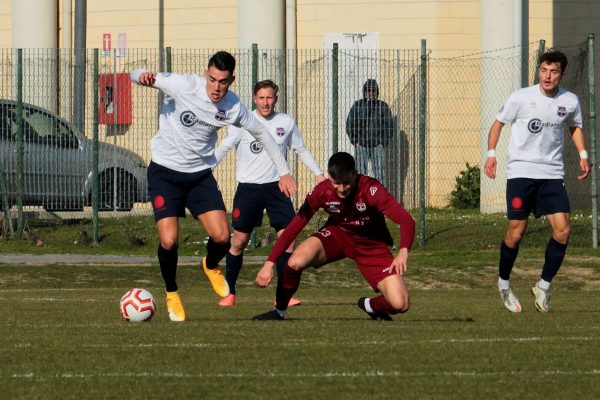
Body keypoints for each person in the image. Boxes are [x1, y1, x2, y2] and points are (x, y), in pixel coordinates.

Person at [130, 51, 297, 322]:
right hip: (164, 173)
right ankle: (172, 292)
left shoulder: (233, 106)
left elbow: (263, 134)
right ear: (205, 74)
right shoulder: (184, 85)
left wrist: (284, 172)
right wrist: (143, 77)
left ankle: (209, 265)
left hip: (198, 177)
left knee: (222, 238)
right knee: (169, 240)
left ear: (231, 80)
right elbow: (134, 74)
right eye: (212, 79)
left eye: (223, 82)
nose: (216, 87)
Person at [484, 50, 590, 314]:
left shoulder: (570, 100)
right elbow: (497, 124)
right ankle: (504, 283)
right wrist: (491, 154)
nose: (548, 76)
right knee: (516, 232)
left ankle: (543, 285)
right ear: (539, 71)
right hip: (521, 173)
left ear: (561, 75)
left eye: (554, 72)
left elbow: (575, 126)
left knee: (563, 231)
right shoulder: (521, 97)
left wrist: (583, 155)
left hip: (552, 174)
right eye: (544, 70)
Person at [252, 151, 415, 321]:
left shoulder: (371, 189)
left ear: (354, 174)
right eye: (337, 183)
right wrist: (269, 263)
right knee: (294, 262)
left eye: (346, 183)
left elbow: (406, 220)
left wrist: (403, 251)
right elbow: (293, 228)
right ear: (329, 177)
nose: (342, 189)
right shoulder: (321, 192)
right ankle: (279, 311)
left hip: (371, 245)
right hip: (337, 234)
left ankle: (369, 305)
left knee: (400, 304)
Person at [214, 79, 326, 307]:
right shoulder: (242, 121)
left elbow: (300, 149)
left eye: (269, 98)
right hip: (248, 188)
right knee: (239, 242)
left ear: (276, 99)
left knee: (289, 242)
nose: (265, 103)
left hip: (277, 187)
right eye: (261, 98)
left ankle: (282, 295)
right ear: (254, 99)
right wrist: (205, 170)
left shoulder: (286, 122)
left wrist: (319, 173)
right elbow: (225, 146)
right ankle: (230, 292)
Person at [346, 79, 394, 186]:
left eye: (373, 90)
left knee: (380, 175)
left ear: (377, 92)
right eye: (368, 90)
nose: (370, 93)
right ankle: (360, 199)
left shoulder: (383, 106)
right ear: (364, 91)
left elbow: (389, 126)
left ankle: (380, 201)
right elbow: (350, 123)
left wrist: (383, 143)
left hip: (377, 146)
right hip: (361, 146)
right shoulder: (357, 105)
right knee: (360, 175)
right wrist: (355, 141)